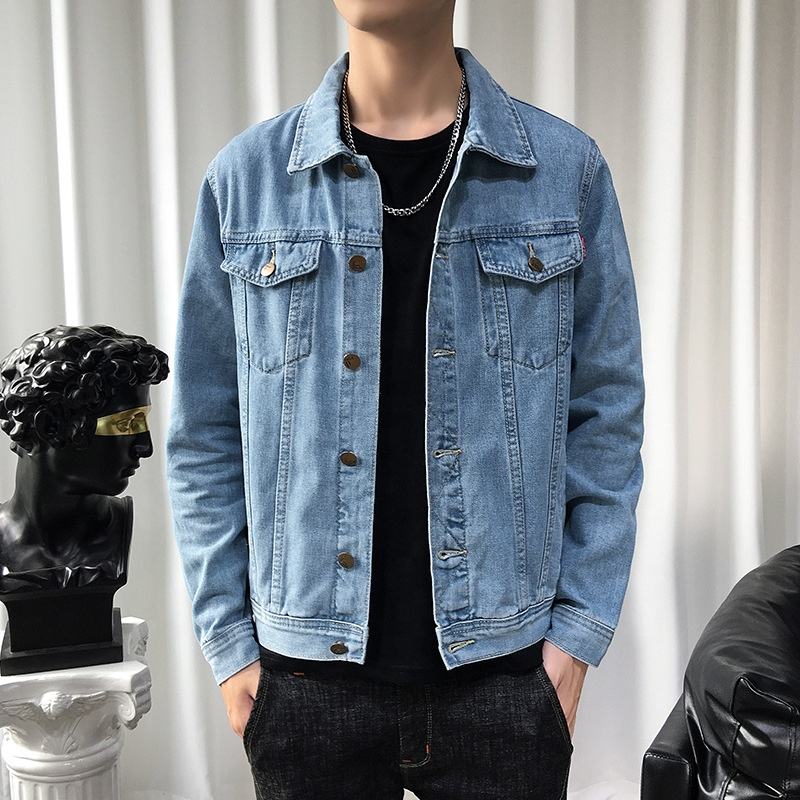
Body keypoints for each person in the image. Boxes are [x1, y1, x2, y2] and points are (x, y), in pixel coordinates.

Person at [165, 1, 645, 797]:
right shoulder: (247, 184)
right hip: (303, 682)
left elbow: (607, 415)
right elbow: (204, 434)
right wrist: (229, 644)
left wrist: (577, 634)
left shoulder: (564, 174)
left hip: (505, 680)